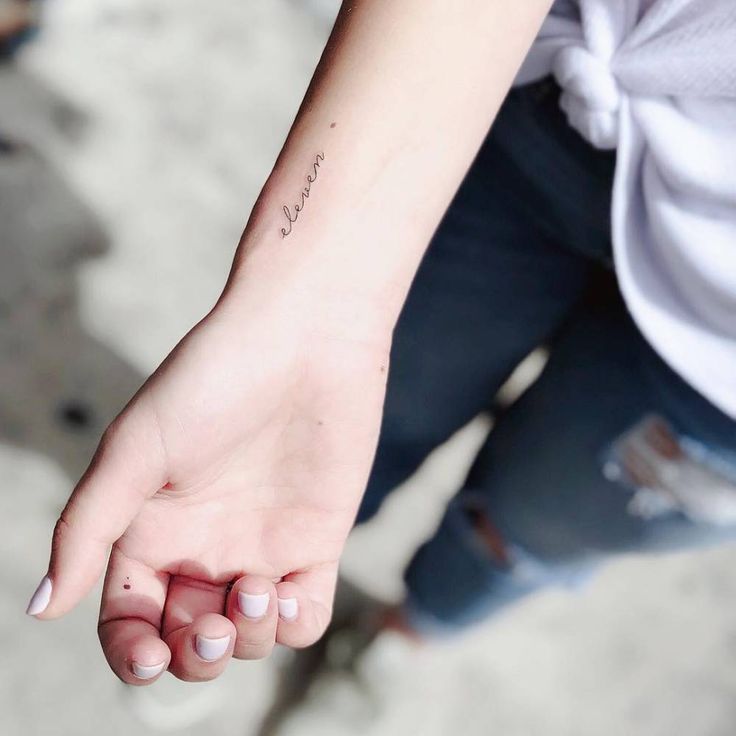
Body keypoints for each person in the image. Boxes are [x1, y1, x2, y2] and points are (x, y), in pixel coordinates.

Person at [25, 0, 736, 687]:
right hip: (543, 102)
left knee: (528, 526)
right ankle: (242, 585)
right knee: (346, 425)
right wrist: (299, 309)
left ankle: (409, 632)